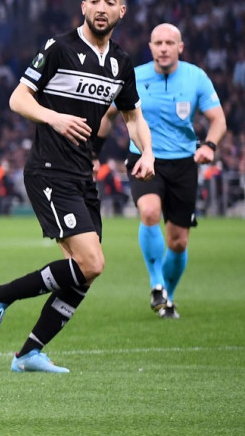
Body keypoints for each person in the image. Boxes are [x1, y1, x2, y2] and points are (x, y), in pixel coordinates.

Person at [0, 0, 155, 373]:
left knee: (81, 275)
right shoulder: (59, 48)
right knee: (91, 263)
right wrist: (54, 118)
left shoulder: (121, 63)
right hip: (49, 172)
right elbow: (18, 98)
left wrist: (148, 152)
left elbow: (132, 115)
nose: (102, 8)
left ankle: (28, 354)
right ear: (83, 7)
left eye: (110, 2)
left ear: (122, 12)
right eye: (94, 0)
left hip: (82, 176)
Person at [96, 22, 225, 319]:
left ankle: (167, 296)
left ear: (180, 47)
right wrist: (93, 151)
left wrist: (209, 145)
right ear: (150, 47)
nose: (163, 48)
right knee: (150, 213)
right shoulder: (135, 76)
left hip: (184, 163)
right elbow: (108, 115)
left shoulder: (196, 77)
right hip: (144, 158)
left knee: (178, 241)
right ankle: (156, 284)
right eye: (158, 43)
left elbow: (218, 119)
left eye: (170, 43)